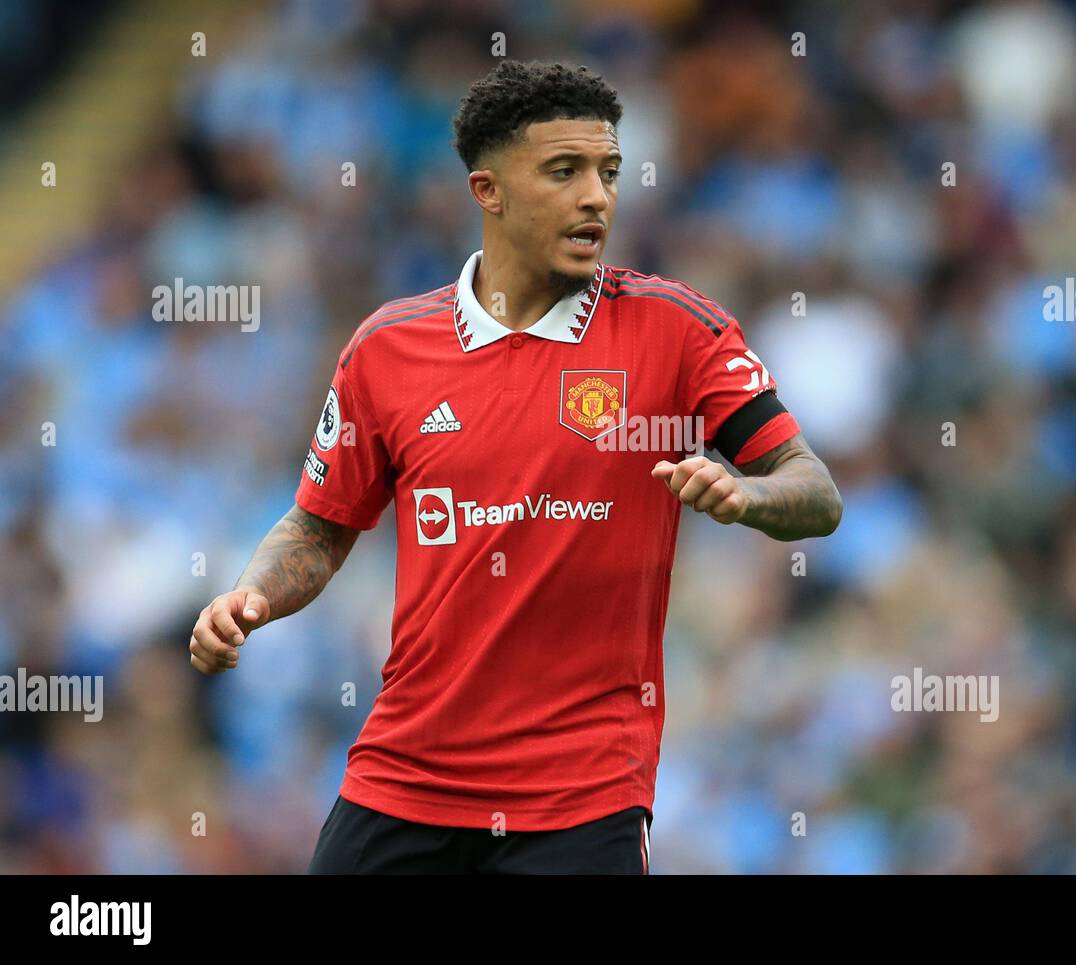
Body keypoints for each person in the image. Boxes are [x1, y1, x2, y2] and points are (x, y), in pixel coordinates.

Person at [188, 60, 842, 874]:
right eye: (563, 172)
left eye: (608, 171)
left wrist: (750, 494)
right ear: (487, 191)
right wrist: (252, 596)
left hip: (581, 796)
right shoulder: (387, 349)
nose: (597, 197)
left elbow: (814, 491)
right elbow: (320, 525)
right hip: (404, 777)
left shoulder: (677, 332)